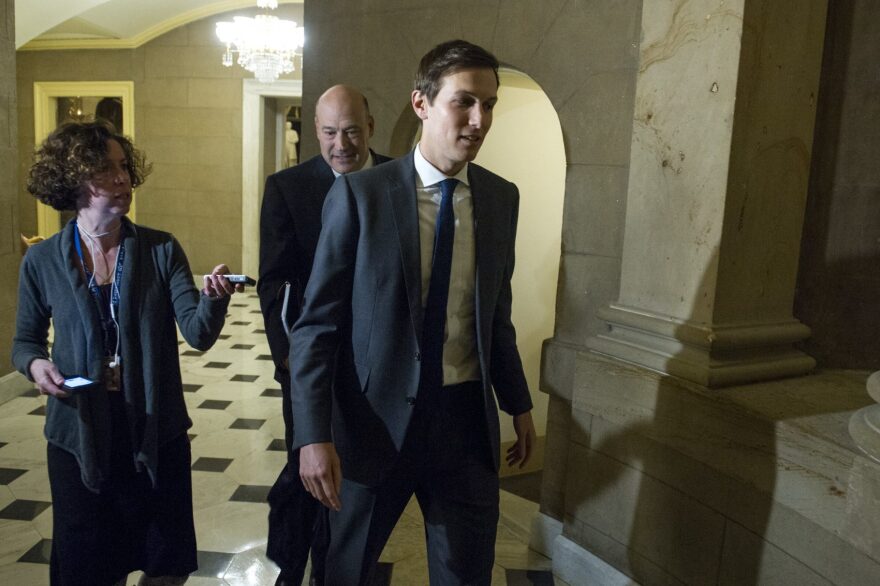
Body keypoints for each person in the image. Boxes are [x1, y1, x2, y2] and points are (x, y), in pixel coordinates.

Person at [290, 40, 536, 585]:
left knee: (466, 574)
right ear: (422, 103)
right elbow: (316, 326)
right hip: (373, 425)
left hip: (466, 425)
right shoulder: (362, 196)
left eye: (490, 104)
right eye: (464, 102)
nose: (479, 119)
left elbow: (496, 314)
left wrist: (517, 402)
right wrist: (312, 434)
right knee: (345, 571)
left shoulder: (501, 199)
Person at [12, 121, 243, 586]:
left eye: (124, 167)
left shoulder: (159, 248)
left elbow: (197, 334)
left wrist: (214, 298)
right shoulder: (43, 260)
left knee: (165, 564)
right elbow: (25, 342)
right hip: (80, 437)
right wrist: (37, 366)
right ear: (73, 179)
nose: (122, 179)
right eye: (105, 169)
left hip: (155, 431)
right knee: (93, 567)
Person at [258, 85, 391, 586]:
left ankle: (340, 565)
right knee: (307, 466)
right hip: (310, 365)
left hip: (379, 365)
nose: (341, 144)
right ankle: (295, 567)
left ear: (371, 127)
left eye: (352, 130)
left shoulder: (397, 179)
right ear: (316, 129)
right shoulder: (288, 187)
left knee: (361, 475)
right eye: (331, 132)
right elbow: (273, 281)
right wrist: (290, 357)